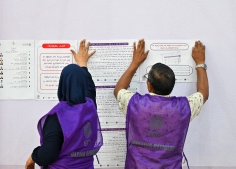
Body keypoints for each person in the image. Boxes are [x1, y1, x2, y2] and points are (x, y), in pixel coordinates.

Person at [114, 39, 209, 168]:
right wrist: (200, 63)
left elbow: (118, 90)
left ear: (149, 85)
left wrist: (135, 63)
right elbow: (203, 93)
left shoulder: (134, 103)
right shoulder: (184, 107)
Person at [25, 39, 103, 169]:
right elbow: (90, 89)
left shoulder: (57, 117)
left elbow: (47, 155)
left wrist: (32, 158)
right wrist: (83, 65)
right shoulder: (90, 107)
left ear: (62, 86)